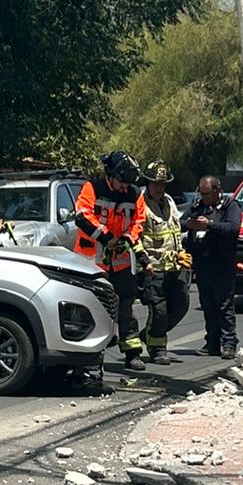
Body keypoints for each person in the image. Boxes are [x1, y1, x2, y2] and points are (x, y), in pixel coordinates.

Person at [73, 151, 148, 370]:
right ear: (111, 175)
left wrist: (127, 238)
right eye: (121, 181)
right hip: (91, 261)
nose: (125, 187)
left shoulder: (135, 193)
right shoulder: (92, 188)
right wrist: (107, 238)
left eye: (128, 182)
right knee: (92, 307)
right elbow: (82, 216)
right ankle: (90, 356)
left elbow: (138, 222)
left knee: (126, 305)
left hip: (121, 261)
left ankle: (132, 352)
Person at [183, 174, 241, 359]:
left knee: (224, 306)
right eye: (201, 193)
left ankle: (229, 343)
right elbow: (180, 222)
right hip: (202, 263)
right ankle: (212, 342)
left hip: (221, 263)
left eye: (207, 193)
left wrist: (210, 225)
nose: (203, 197)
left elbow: (233, 228)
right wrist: (190, 224)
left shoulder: (229, 206)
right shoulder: (197, 206)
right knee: (208, 305)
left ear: (217, 190)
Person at [139, 159, 189, 364]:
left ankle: (149, 334)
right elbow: (136, 236)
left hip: (176, 265)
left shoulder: (168, 201)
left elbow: (175, 228)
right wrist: (143, 263)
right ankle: (157, 348)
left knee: (181, 305)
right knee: (159, 309)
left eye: (162, 184)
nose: (160, 188)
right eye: (156, 184)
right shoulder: (140, 205)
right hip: (154, 267)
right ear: (148, 183)